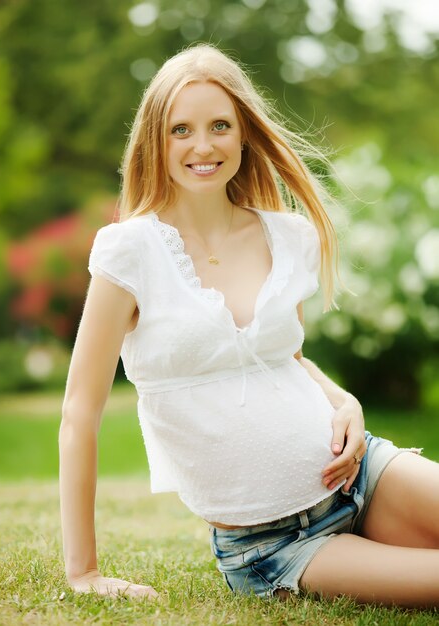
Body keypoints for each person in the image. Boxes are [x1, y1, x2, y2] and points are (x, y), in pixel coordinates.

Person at [59, 43, 439, 608]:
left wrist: (344, 400)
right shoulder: (129, 251)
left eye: (219, 125)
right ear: (154, 141)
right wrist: (83, 571)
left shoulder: (288, 235)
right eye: (180, 130)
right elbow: (78, 412)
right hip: (276, 545)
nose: (203, 146)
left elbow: (283, 358)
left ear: (243, 134)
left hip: (364, 476)